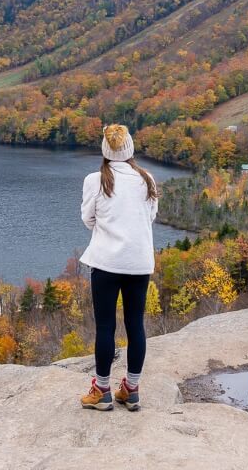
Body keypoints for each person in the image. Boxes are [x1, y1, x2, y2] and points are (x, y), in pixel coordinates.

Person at [78, 124, 158, 412]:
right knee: (135, 325)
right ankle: (131, 390)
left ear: (105, 149)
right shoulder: (146, 179)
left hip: (106, 263)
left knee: (105, 326)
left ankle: (102, 391)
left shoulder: (95, 180)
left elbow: (88, 219)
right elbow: (149, 218)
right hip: (138, 263)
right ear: (130, 148)